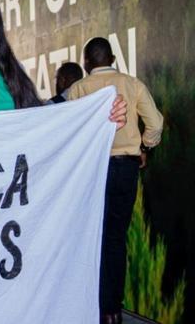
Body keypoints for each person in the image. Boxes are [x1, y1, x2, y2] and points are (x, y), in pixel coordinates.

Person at [67, 37, 163, 324]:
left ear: (86, 62)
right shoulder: (132, 84)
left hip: (91, 169)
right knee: (115, 238)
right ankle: (113, 311)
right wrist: (144, 146)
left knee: (92, 237)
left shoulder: (78, 89)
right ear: (112, 58)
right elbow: (156, 123)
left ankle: (93, 306)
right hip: (125, 168)